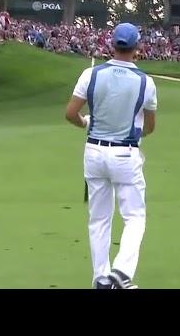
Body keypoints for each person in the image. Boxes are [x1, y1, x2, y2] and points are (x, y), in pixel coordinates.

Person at [65, 23, 158, 290]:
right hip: (125, 154)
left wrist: (85, 123)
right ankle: (120, 273)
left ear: (112, 45)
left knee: (99, 219)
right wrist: (137, 130)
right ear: (136, 48)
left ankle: (101, 279)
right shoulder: (146, 82)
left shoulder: (90, 74)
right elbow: (150, 127)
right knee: (134, 217)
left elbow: (71, 114)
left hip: (93, 152)